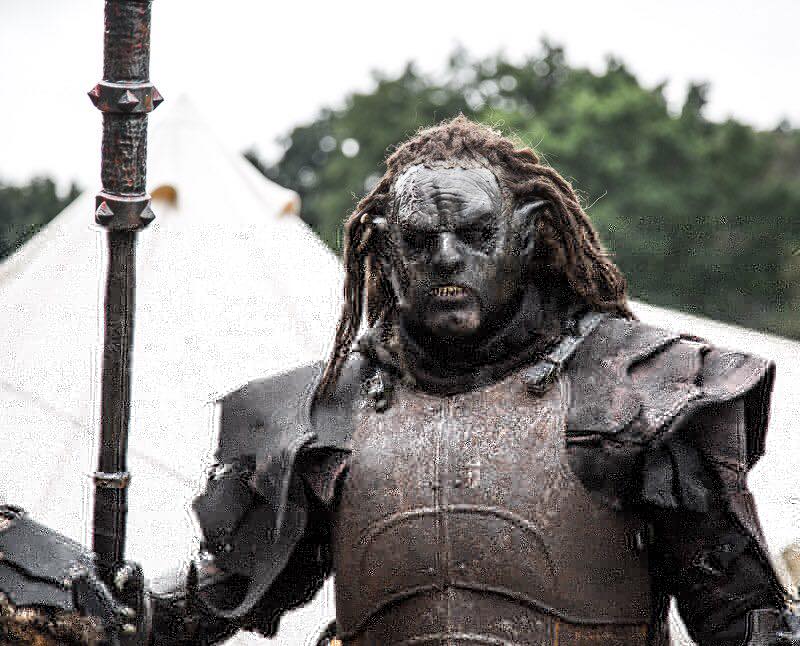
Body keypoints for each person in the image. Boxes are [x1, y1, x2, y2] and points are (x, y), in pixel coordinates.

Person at [1, 116, 799, 646]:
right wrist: (98, 604)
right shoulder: (327, 413)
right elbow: (212, 601)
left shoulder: (638, 392)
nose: (448, 259)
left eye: (476, 234)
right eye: (420, 240)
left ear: (526, 237)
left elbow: (745, 624)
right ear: (384, 247)